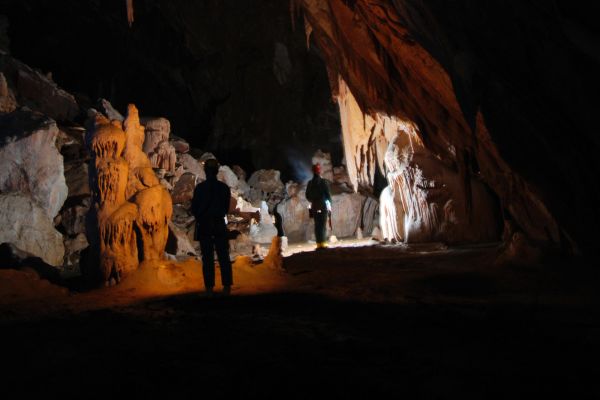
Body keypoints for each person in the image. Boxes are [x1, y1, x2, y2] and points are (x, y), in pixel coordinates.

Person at [191, 158, 233, 295]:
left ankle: (209, 287)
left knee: (207, 257)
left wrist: (201, 215)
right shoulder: (224, 188)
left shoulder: (200, 188)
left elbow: (194, 209)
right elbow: (226, 208)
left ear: (205, 171)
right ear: (216, 171)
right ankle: (227, 286)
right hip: (219, 223)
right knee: (223, 256)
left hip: (205, 225)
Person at [305, 163, 332, 249]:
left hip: (314, 206)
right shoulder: (323, 182)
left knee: (317, 225)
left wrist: (313, 201)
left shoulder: (310, 183)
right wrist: (329, 205)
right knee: (322, 225)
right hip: (322, 206)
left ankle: (318, 244)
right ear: (319, 171)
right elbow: (328, 195)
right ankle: (322, 244)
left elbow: (307, 196)